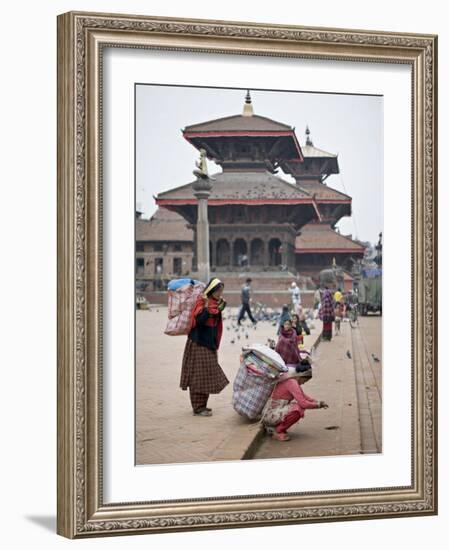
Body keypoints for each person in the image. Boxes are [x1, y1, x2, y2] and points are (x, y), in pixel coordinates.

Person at [180, 278, 229, 416]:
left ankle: (203, 405)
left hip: (209, 343)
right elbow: (199, 320)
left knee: (207, 374)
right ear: (212, 291)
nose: (220, 293)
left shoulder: (215, 304)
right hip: (198, 342)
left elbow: (215, 324)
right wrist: (209, 309)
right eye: (218, 291)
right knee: (198, 375)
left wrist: (219, 309)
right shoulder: (203, 301)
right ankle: (198, 407)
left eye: (221, 291)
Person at [262, 367, 329, 441]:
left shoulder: (290, 380)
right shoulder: (292, 383)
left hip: (270, 414)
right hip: (270, 415)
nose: (303, 383)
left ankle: (278, 429)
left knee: (297, 406)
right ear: (300, 376)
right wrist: (318, 405)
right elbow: (304, 403)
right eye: (305, 381)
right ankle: (278, 431)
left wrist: (318, 402)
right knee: (297, 409)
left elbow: (305, 397)